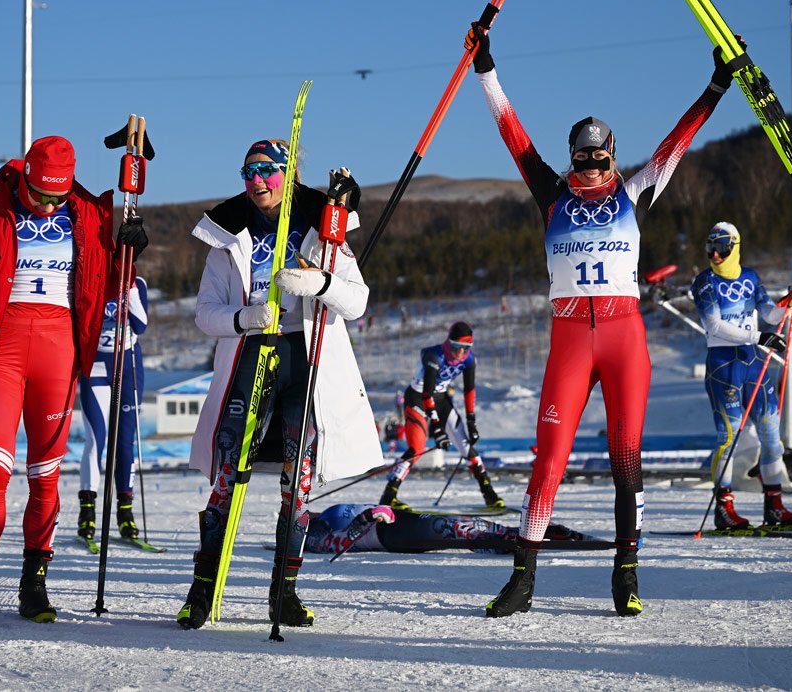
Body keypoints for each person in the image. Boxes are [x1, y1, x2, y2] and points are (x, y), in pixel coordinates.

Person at [472, 21, 736, 618]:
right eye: (582, 156)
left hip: (622, 336)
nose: (591, 165)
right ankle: (523, 577)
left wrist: (716, 87)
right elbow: (513, 135)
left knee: (625, 458)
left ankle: (626, 572)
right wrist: (486, 70)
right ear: (571, 157)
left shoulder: (636, 189)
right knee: (550, 457)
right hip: (569, 336)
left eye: (600, 155)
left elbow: (676, 143)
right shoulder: (551, 191)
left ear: (613, 154)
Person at [0, 133, 148, 629]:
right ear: (23, 177)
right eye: (39, 195)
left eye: (56, 197)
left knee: (45, 477)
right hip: (1, 348)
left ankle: (33, 584)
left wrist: (130, 254)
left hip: (59, 350)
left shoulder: (86, 213)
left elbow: (111, 282)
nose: (47, 206)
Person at [175, 139, 383, 630]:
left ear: (288, 175)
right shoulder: (229, 235)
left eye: (267, 171)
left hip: (304, 358)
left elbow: (358, 300)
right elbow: (205, 314)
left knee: (300, 481)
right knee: (227, 473)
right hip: (252, 355)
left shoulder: (321, 229)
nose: (257, 182)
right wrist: (245, 316)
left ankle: (284, 592)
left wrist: (321, 285)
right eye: (248, 172)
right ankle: (201, 591)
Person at [692, 222, 792, 530]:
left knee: (772, 437)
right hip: (723, 365)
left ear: (734, 248)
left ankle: (775, 505)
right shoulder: (704, 282)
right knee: (728, 437)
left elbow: (770, 314)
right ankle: (724, 508)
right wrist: (759, 337)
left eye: (722, 249)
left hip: (754, 364)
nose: (715, 254)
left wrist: (790, 301)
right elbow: (715, 326)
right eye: (710, 249)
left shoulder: (751, 277)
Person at [379, 321, 504, 510]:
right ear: (449, 343)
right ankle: (389, 495)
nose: (460, 353)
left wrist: (471, 421)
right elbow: (426, 393)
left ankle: (489, 494)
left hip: (441, 399)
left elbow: (469, 390)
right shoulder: (434, 356)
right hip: (418, 397)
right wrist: (436, 426)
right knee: (417, 448)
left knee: (466, 446)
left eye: (466, 348)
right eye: (456, 347)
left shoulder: (470, 360)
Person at [77, 274, 149, 546]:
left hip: (127, 366)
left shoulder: (137, 283)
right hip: (94, 365)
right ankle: (87, 513)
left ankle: (125, 512)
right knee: (96, 440)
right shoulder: (90, 277)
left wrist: (129, 291)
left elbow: (141, 325)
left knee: (125, 442)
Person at [306, 503, 595, 557]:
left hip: (402, 520)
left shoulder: (328, 510)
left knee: (468, 525)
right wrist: (369, 516)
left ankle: (541, 531)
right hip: (391, 535)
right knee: (459, 530)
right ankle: (511, 543)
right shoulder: (316, 532)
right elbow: (337, 543)